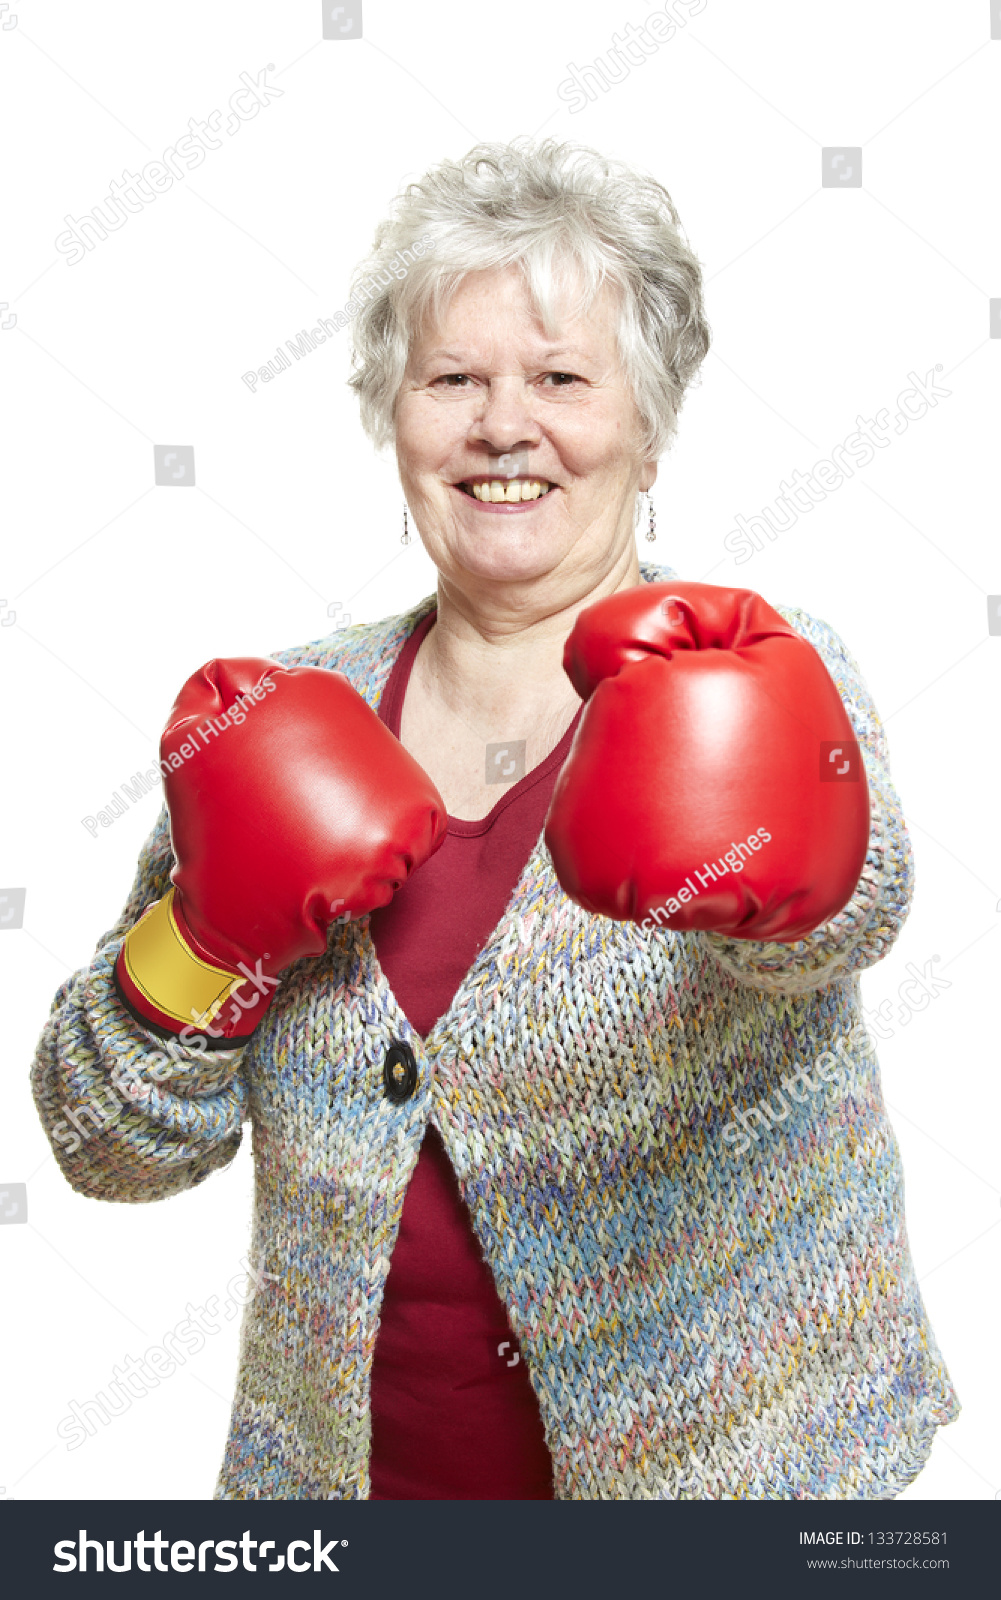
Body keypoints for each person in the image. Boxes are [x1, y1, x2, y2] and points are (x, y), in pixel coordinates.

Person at [31, 137, 958, 1500]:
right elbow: (106, 1139)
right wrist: (209, 934)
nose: (501, 427)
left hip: (731, 1496)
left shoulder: (746, 667)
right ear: (391, 421)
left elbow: (845, 910)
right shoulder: (278, 717)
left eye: (561, 379)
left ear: (647, 426)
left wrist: (772, 870)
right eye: (450, 381)